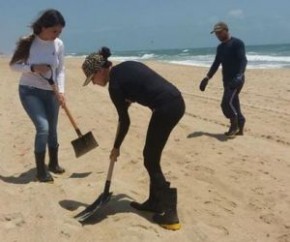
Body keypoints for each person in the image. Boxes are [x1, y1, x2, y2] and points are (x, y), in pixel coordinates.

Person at [81, 47, 185, 230]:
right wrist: (128, 99)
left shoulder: (114, 85)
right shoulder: (125, 68)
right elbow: (140, 87)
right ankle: (155, 202)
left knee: (150, 159)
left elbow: (125, 120)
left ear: (99, 71)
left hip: (166, 108)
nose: (94, 83)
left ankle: (170, 213)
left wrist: (116, 147)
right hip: (175, 101)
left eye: (92, 79)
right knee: (151, 156)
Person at [9, 9, 66, 183]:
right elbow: (14, 65)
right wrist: (33, 68)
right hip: (29, 91)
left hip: (51, 91)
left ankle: (54, 163)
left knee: (53, 130)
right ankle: (41, 171)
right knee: (43, 128)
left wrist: (61, 91)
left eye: (60, 32)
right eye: (54, 31)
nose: (56, 35)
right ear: (43, 27)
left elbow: (61, 69)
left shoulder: (58, 44)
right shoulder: (28, 42)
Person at [199, 21, 247, 137]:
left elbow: (243, 60)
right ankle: (240, 124)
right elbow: (216, 64)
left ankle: (234, 125)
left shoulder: (237, 43)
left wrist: (239, 75)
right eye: (216, 34)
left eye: (220, 32)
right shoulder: (220, 48)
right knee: (233, 102)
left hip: (236, 80)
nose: (218, 35)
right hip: (226, 80)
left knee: (225, 103)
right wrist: (207, 77)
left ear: (226, 30)